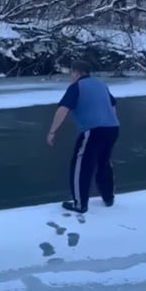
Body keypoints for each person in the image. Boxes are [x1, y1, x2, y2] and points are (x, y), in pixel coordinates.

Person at [46, 60, 120, 213]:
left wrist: (52, 131)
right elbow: (112, 106)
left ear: (76, 72)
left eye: (71, 73)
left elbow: (63, 109)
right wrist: (111, 123)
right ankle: (108, 198)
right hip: (112, 128)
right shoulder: (101, 85)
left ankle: (79, 204)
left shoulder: (76, 87)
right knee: (104, 162)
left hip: (93, 130)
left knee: (81, 166)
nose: (70, 77)